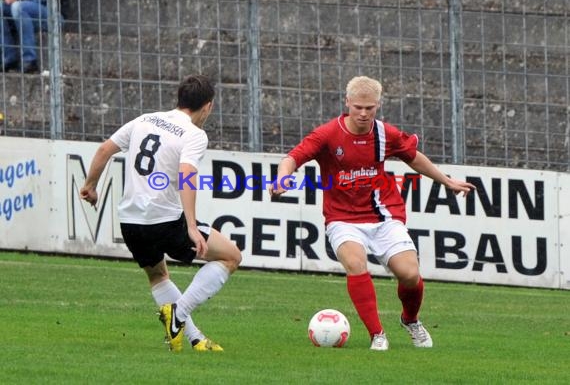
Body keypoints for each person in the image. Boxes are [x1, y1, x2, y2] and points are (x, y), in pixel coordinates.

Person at [270, 76, 475, 351]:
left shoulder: (384, 133)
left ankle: (410, 320)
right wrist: (282, 178)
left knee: (410, 275)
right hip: (342, 218)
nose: (364, 113)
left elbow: (414, 156)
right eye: (358, 107)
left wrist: (447, 181)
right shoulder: (328, 134)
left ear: (378, 105)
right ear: (347, 103)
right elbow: (292, 157)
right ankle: (377, 334)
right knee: (356, 264)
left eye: (370, 108)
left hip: (383, 215)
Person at [80, 75, 242, 353]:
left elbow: (105, 149)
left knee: (158, 276)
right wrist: (191, 224)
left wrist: (89, 186)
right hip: (164, 221)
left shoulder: (145, 119)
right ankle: (178, 314)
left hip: (130, 222)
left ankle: (195, 339)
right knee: (231, 256)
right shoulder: (194, 134)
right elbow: (187, 174)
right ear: (208, 107)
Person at [1, 0, 58, 73]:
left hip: (52, 15)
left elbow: (41, 0)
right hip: (25, 11)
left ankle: (29, 60)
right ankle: (8, 58)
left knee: (18, 7)